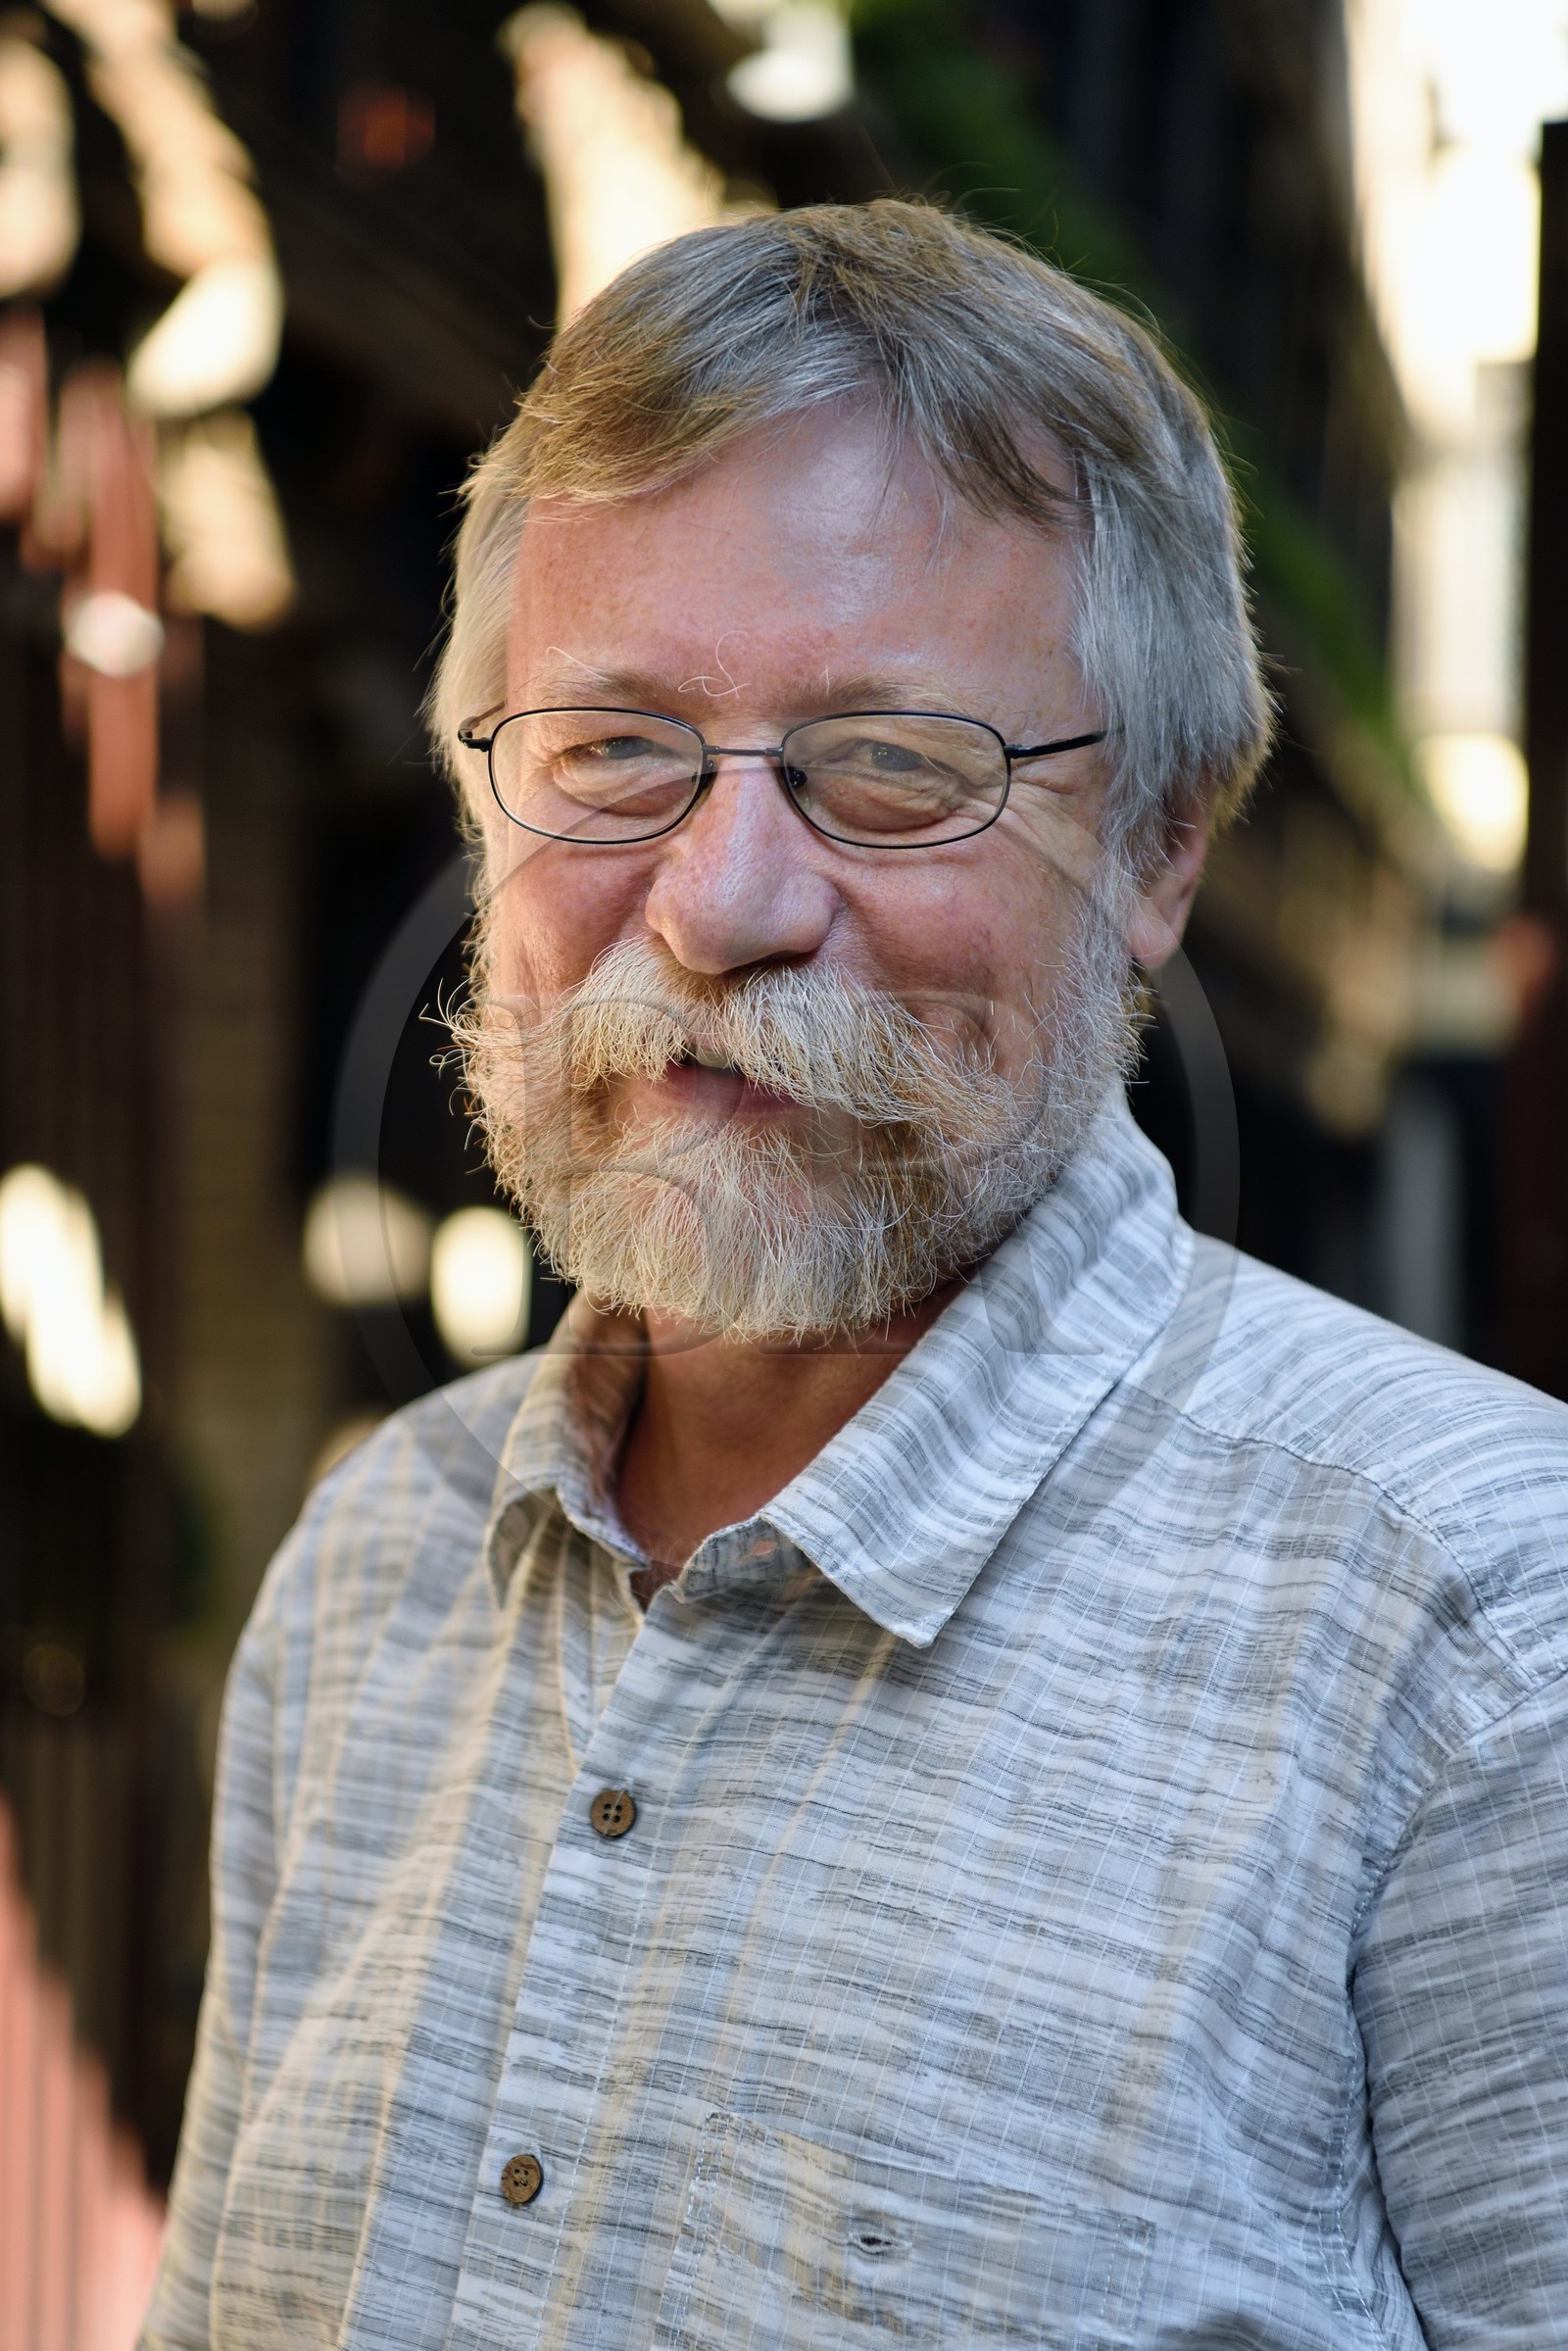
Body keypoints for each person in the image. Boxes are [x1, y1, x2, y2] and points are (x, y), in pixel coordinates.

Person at [143, 202, 1568, 2351]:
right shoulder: (377, 1564)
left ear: (1160, 843)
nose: (716, 904)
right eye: (608, 748)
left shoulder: (1480, 1634)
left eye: (892, 770)